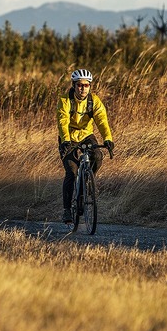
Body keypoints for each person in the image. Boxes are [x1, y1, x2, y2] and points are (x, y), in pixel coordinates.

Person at [57, 69, 114, 223]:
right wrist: (66, 141)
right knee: (72, 172)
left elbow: (102, 120)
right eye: (80, 85)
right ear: (74, 85)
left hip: (86, 135)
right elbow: (63, 122)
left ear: (90, 86)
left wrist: (108, 138)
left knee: (97, 156)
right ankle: (67, 210)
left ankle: (89, 180)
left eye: (86, 85)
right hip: (68, 137)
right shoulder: (65, 101)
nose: (83, 88)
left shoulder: (94, 101)